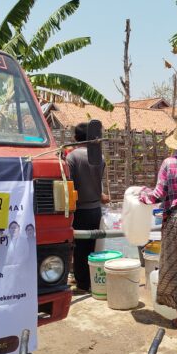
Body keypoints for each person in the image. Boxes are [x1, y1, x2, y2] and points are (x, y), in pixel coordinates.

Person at [139, 121, 177, 326]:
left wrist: (141, 195)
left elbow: (157, 195)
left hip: (175, 222)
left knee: (176, 269)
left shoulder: (168, 163)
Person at [66, 122, 109, 294]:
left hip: (79, 210)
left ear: (76, 138)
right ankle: (90, 279)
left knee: (79, 248)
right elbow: (97, 183)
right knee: (92, 246)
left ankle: (82, 284)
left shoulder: (72, 157)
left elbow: (71, 185)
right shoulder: (100, 157)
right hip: (95, 209)